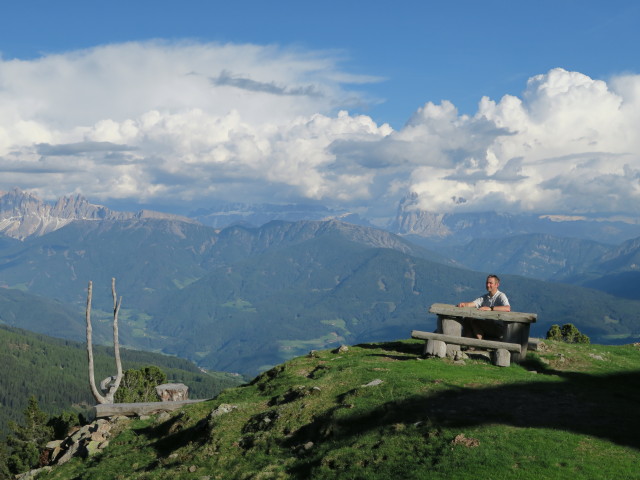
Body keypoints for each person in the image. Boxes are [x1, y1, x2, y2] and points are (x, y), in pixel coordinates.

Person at [457, 274, 510, 339]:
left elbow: (507, 308)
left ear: (497, 285)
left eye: (490, 283)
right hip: (488, 325)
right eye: (487, 283)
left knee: (476, 322)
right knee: (467, 319)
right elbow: (474, 303)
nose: (488, 285)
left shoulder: (501, 296)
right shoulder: (485, 297)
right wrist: (464, 304)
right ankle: (470, 345)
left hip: (499, 328)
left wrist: (491, 308)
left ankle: (479, 343)